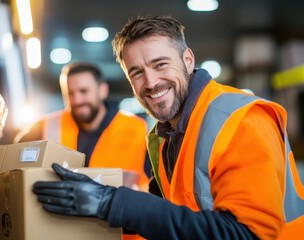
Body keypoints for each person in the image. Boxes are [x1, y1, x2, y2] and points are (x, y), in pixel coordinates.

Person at [32, 15, 304, 239]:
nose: (150, 83)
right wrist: (97, 208)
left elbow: (248, 235)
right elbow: (175, 217)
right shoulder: (164, 135)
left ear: (188, 60)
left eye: (160, 64)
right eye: (137, 72)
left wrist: (113, 204)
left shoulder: (241, 120)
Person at [15, 62, 150, 191]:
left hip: (119, 213)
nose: (77, 100)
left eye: (83, 91)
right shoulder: (44, 126)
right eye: (70, 94)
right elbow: (14, 165)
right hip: (57, 213)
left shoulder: (137, 129)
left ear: (103, 91)